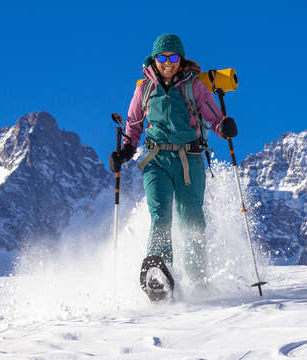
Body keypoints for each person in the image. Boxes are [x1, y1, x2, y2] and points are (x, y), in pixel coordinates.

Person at [109, 34, 237, 298]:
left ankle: (197, 280)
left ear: (181, 59)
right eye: (162, 58)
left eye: (173, 57)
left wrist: (223, 128)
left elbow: (213, 118)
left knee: (192, 219)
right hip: (156, 160)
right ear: (154, 60)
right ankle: (159, 271)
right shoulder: (144, 89)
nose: (168, 63)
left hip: (189, 160)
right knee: (160, 215)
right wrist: (125, 152)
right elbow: (134, 125)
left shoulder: (194, 87)